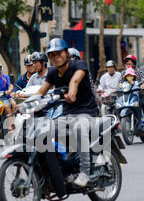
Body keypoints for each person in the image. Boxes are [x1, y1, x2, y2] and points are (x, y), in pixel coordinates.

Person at [35, 38, 99, 188]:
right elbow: (40, 92)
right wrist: (23, 106)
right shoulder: (52, 72)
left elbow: (74, 82)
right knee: (44, 131)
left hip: (87, 113)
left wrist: (71, 93)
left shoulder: (79, 65)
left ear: (66, 53)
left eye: (59, 53)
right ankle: (63, 169)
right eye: (52, 54)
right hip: (67, 115)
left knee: (79, 128)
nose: (56, 57)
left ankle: (85, 173)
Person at [122, 54, 144, 129]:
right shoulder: (123, 73)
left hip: (138, 94)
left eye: (130, 63)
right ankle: (119, 122)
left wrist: (142, 86)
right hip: (126, 94)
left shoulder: (139, 72)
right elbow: (120, 82)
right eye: (127, 63)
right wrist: (119, 86)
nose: (128, 65)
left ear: (134, 63)